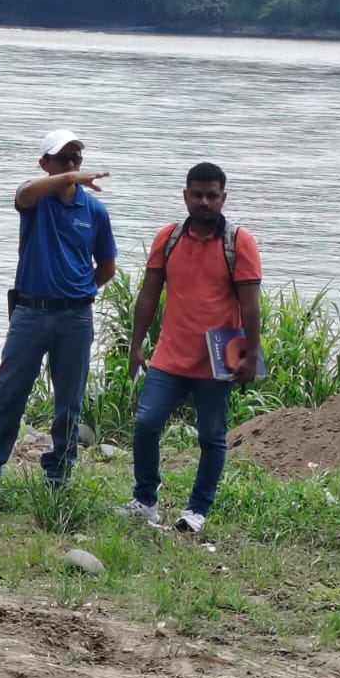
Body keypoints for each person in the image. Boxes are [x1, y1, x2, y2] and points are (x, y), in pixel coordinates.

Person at [118, 162, 262, 534]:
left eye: (212, 195)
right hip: (169, 355)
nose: (204, 202)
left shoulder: (238, 242)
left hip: (217, 359)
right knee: (146, 424)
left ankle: (197, 509)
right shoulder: (168, 239)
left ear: (223, 197)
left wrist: (251, 355)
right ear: (185, 196)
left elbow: (250, 305)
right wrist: (136, 346)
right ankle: (145, 501)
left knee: (211, 436)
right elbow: (148, 295)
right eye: (197, 195)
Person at [0, 129, 118, 491]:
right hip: (30, 313)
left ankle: (58, 475)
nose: (71, 164)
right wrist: (68, 178)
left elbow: (107, 267)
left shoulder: (94, 211)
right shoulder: (36, 199)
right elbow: (23, 194)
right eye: (62, 158)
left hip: (76, 317)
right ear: (45, 163)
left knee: (69, 402)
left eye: (75, 158)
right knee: (9, 393)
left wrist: (78, 289)